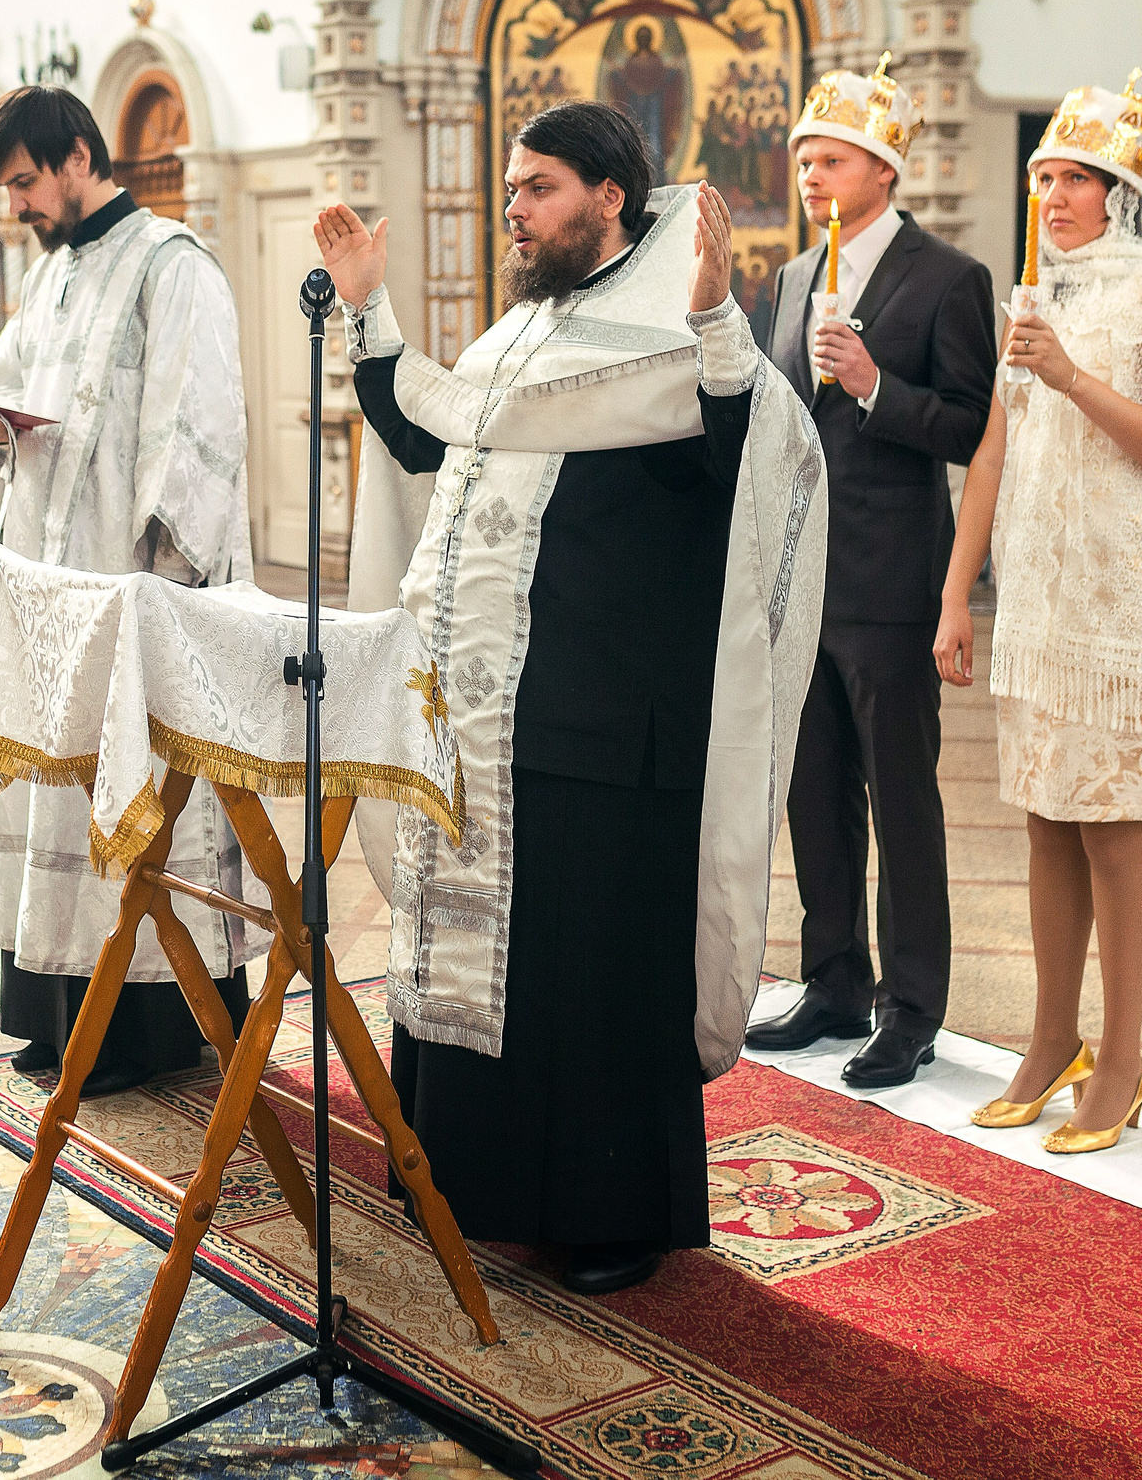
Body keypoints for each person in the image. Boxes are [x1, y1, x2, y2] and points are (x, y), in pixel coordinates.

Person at [323, 100, 824, 1297]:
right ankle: (469, 1182)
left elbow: (741, 459)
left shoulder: (675, 325)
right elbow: (424, 442)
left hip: (610, 719)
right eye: (510, 188)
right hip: (489, 710)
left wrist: (715, 325)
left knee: (594, 985)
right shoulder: (519, 338)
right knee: (511, 970)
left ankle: (611, 1218)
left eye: (538, 187)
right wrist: (364, 304)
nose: (516, 208)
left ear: (609, 197)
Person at [932, 75, 1142, 1153]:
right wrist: (956, 589)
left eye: (1072, 179)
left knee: (1114, 824)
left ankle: (1121, 1057)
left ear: (1119, 191)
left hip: (1127, 598)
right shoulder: (1037, 293)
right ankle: (1049, 1035)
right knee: (1045, 818)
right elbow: (991, 448)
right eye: (1042, 177)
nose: (1052, 196)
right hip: (1040, 594)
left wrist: (1067, 376)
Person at [0, 85, 259, 1099]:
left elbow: (198, 429)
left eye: (25, 182)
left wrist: (160, 587)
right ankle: (57, 1011)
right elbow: (6, 389)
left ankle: (145, 1031)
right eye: (7, 189)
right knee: (58, 797)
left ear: (78, 155)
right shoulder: (51, 280)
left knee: (135, 799)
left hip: (132, 597)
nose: (17, 206)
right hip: (57, 594)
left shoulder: (172, 267)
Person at [742, 56, 995, 1089]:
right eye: (804, 158)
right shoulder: (794, 278)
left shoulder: (948, 279)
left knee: (901, 798)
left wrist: (878, 385)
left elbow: (974, 427)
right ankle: (835, 981)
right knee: (814, 793)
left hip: (893, 581)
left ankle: (911, 1007)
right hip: (806, 580)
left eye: (831, 159)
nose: (811, 174)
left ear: (882, 171)